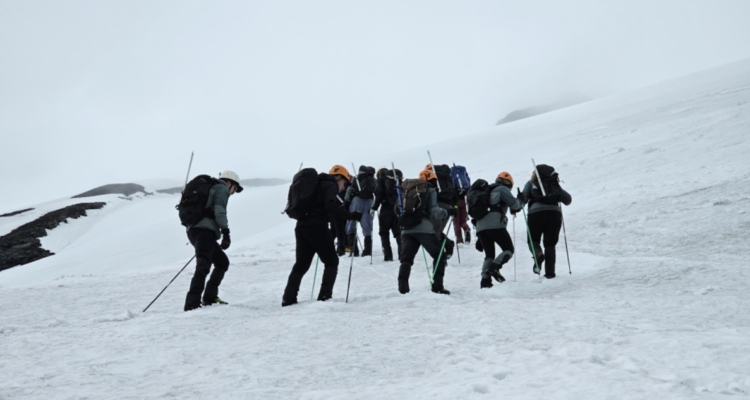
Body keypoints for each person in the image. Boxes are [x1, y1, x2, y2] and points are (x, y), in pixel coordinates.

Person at [282, 165, 363, 306]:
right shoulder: (329, 184)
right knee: (331, 262)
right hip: (317, 227)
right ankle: (324, 297)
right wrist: (351, 215)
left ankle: (288, 298)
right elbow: (330, 207)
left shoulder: (314, 185)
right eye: (344, 183)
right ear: (338, 177)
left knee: (301, 265)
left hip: (301, 227)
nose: (343, 187)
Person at [184, 170, 243, 311]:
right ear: (229, 182)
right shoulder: (221, 187)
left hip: (193, 230)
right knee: (203, 266)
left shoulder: (211, 187)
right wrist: (226, 232)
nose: (233, 192)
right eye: (234, 188)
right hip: (205, 231)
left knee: (222, 262)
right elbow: (220, 211)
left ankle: (209, 297)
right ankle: (192, 303)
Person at [397, 174, 456, 295]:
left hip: (406, 229)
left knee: (406, 260)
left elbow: (396, 209)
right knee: (439, 255)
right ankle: (437, 287)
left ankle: (403, 288)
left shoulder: (405, 190)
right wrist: (448, 212)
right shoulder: (429, 190)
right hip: (424, 228)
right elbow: (435, 211)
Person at [520, 165, 572, 279]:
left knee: (533, 240)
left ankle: (538, 254)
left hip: (536, 214)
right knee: (550, 244)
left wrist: (517, 204)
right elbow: (568, 200)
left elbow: (522, 200)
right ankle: (550, 273)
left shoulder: (531, 183)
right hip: (555, 214)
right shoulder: (554, 185)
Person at [474, 172, 524, 288]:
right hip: (495, 224)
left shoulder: (486, 190)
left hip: (480, 226)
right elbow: (515, 205)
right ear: (509, 184)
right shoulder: (502, 189)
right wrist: (520, 199)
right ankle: (494, 268)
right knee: (508, 249)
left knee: (489, 254)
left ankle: (485, 282)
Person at [419, 169, 455, 259]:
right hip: (446, 206)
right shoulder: (436, 180)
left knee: (435, 231)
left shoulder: (427, 185)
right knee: (436, 231)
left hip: (438, 208)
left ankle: (441, 258)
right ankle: (448, 245)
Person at [371, 167, 403, 261]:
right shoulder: (396, 180)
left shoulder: (380, 181)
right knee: (398, 233)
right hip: (397, 209)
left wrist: (374, 208)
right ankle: (402, 254)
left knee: (384, 233)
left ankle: (388, 256)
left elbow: (379, 195)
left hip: (385, 210)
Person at [345, 165, 377, 257]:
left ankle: (354, 250)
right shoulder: (373, 179)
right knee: (367, 226)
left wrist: (347, 201)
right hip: (370, 202)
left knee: (351, 224)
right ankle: (367, 250)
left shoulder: (357, 178)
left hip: (357, 202)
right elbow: (377, 191)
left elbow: (349, 190)